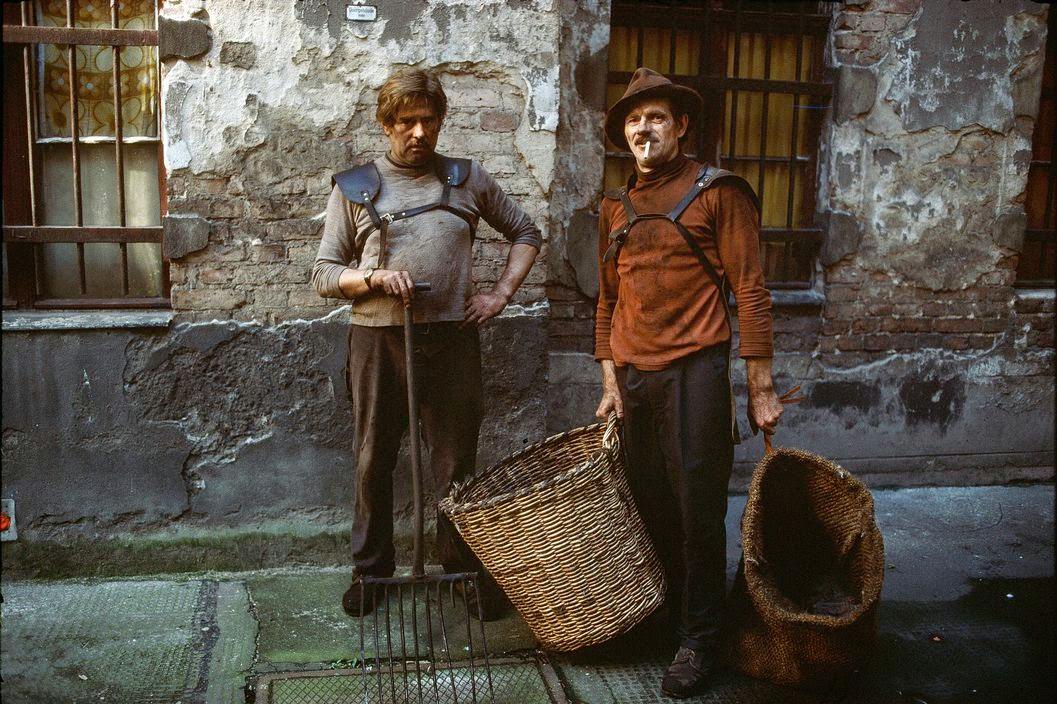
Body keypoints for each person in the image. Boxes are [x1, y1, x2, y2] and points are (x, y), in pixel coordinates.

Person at [312, 67, 541, 619]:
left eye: (428, 121)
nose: (418, 133)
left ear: (440, 123)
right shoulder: (355, 187)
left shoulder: (467, 178)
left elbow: (526, 233)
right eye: (406, 122)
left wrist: (499, 295)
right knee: (373, 457)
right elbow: (323, 274)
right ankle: (371, 573)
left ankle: (461, 570)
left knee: (456, 461)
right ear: (386, 124)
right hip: (378, 340)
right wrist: (372, 279)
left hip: (452, 340)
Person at [594, 67, 783, 698]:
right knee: (645, 510)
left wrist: (759, 387)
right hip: (634, 382)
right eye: (632, 119)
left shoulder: (719, 193)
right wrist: (609, 379)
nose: (643, 129)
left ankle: (701, 640)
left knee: (698, 512)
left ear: (681, 126)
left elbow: (752, 292)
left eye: (655, 118)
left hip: (695, 376)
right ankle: (665, 622)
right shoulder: (614, 207)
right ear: (624, 134)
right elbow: (606, 301)